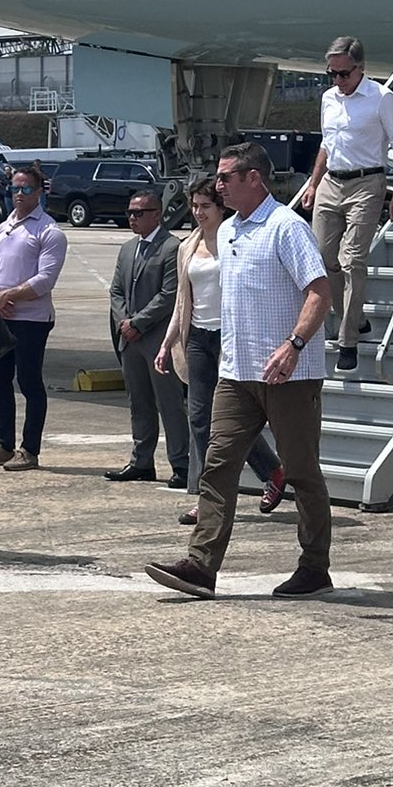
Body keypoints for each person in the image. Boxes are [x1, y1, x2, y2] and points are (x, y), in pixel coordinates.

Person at [146, 141, 334, 600]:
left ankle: (314, 568)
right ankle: (200, 566)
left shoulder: (286, 227)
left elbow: (319, 292)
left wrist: (293, 345)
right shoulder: (228, 230)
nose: (218, 184)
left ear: (254, 178)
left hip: (289, 375)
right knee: (217, 466)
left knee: (301, 472)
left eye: (226, 176)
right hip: (236, 374)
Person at [157, 174, 287, 528]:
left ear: (220, 207)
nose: (199, 213)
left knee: (234, 419)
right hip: (198, 338)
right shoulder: (187, 246)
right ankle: (208, 498)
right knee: (199, 419)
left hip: (232, 337)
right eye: (194, 206)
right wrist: (168, 342)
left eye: (206, 206)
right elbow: (183, 301)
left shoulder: (234, 239)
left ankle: (272, 471)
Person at [296, 36, 393, 371]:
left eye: (343, 74)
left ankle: (348, 341)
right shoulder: (328, 98)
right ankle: (354, 317)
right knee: (322, 257)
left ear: (360, 68)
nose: (337, 80)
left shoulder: (381, 97)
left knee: (352, 260)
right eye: (331, 73)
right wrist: (313, 183)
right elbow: (327, 143)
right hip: (331, 181)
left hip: (367, 181)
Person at [0, 163, 66, 471]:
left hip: (32, 319)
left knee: (28, 381)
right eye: (15, 188)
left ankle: (29, 449)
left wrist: (7, 296)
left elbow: (45, 280)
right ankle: (4, 444)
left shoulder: (49, 231)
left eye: (26, 188)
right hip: (1, 315)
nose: (19, 194)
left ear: (39, 192)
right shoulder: (4, 227)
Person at [106, 189, 189, 488]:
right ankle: (141, 461)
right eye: (130, 212)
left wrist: (138, 323)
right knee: (138, 402)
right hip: (130, 339)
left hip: (157, 339)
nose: (132, 218)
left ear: (157, 214)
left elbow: (169, 294)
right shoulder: (128, 248)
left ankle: (181, 463)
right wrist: (124, 322)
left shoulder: (171, 247)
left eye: (139, 213)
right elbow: (116, 290)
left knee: (170, 403)